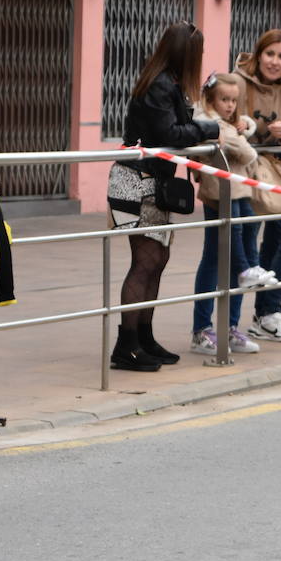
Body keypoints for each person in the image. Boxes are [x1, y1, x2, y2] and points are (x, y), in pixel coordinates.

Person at [108, 21, 219, 371]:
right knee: (145, 262)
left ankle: (144, 337)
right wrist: (210, 127)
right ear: (186, 54)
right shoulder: (159, 85)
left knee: (157, 259)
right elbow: (168, 132)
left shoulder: (167, 83)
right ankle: (126, 346)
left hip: (151, 183)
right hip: (135, 182)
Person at [188, 73, 274, 357]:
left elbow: (244, 127)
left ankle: (229, 327)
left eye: (234, 100)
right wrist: (243, 144)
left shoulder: (230, 122)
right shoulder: (208, 119)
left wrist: (245, 125)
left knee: (242, 250)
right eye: (224, 99)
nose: (229, 105)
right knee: (214, 259)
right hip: (219, 193)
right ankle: (202, 330)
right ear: (211, 98)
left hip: (240, 192)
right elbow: (243, 150)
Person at [236, 29, 281, 343]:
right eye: (270, 54)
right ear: (258, 53)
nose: (274, 62)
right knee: (247, 246)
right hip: (243, 173)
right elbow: (219, 118)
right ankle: (237, 325)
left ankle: (268, 312)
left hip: (274, 173)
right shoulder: (237, 82)